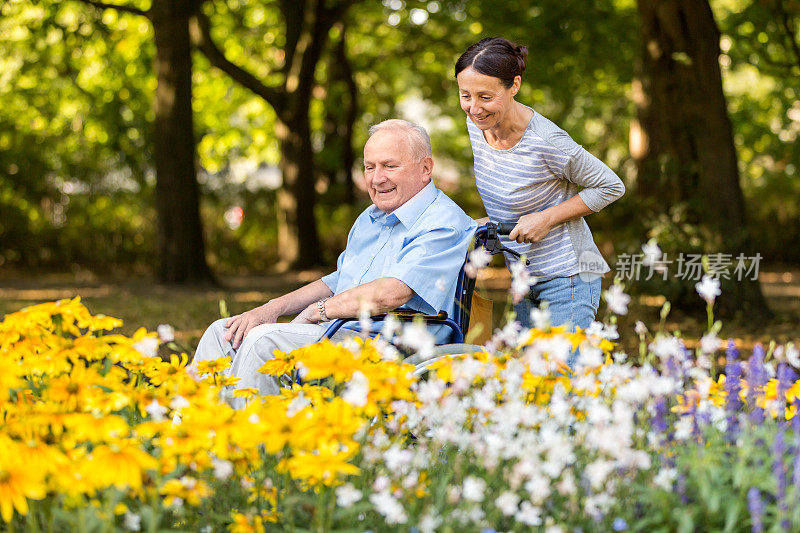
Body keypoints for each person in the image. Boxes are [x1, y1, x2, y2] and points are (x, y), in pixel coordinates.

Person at [193, 119, 477, 404]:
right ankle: (195, 436)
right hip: (343, 333)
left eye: (390, 166)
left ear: (425, 168)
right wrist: (271, 309)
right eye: (370, 167)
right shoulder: (370, 218)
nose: (377, 179)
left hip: (394, 349)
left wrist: (319, 312)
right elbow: (336, 282)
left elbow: (393, 292)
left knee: (263, 341)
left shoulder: (442, 222)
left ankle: (252, 441)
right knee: (225, 332)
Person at [455, 37, 624, 335]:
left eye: (485, 96)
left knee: (560, 377)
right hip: (522, 277)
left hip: (568, 278)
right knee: (530, 380)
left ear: (514, 86)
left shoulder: (546, 141)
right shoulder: (477, 124)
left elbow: (610, 185)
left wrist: (546, 218)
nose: (474, 107)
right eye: (465, 95)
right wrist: (489, 223)